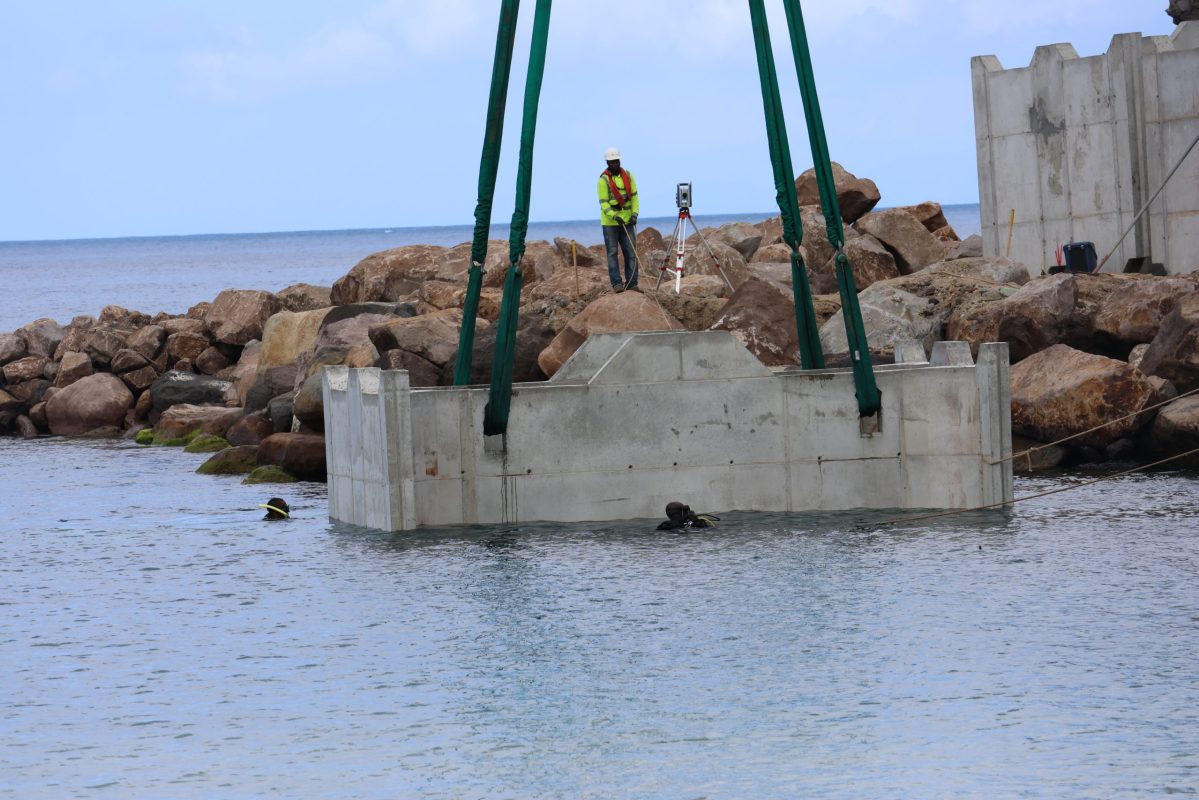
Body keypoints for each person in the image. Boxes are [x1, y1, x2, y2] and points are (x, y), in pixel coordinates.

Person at [597, 146, 640, 292]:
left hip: (627, 220)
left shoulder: (628, 175)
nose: (615, 164)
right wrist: (614, 216)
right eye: (612, 162)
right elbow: (604, 203)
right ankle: (617, 284)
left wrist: (635, 214)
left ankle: (632, 283)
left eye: (616, 161)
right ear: (607, 163)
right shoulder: (603, 180)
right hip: (610, 222)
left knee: (631, 252)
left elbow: (634, 196)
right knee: (612, 253)